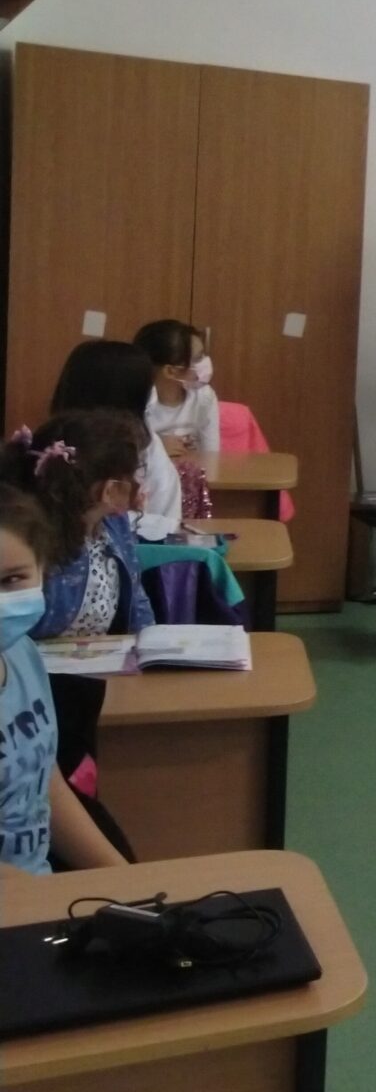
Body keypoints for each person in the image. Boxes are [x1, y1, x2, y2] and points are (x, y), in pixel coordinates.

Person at [0, 485, 126, 876]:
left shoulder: (22, 655)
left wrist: (123, 878)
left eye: (12, 579)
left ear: (43, 571)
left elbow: (42, 783)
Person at [2, 413, 155, 640]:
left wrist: (152, 644)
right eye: (132, 474)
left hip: (110, 659)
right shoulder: (33, 535)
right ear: (110, 489)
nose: (138, 482)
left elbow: (137, 600)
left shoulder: (115, 525)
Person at [49, 339, 180, 541]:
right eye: (148, 388)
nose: (153, 395)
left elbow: (168, 522)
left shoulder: (147, 446)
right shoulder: (52, 448)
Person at [133, 319, 220, 457]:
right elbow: (127, 456)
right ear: (170, 371)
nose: (205, 362)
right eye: (197, 358)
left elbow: (212, 454)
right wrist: (155, 447)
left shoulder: (204, 397)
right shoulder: (139, 402)